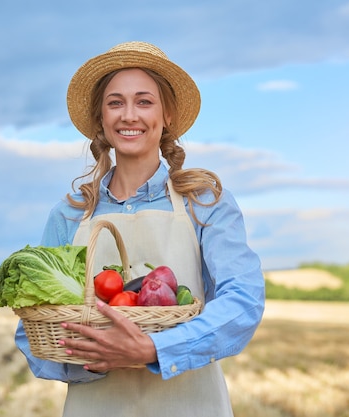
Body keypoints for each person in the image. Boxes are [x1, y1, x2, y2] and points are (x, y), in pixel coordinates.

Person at [15, 41, 265, 417]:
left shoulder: (205, 202)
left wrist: (154, 350)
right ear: (101, 118)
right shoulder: (70, 215)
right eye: (115, 102)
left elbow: (243, 301)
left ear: (168, 116)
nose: (129, 115)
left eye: (144, 102)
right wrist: (93, 359)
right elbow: (31, 325)